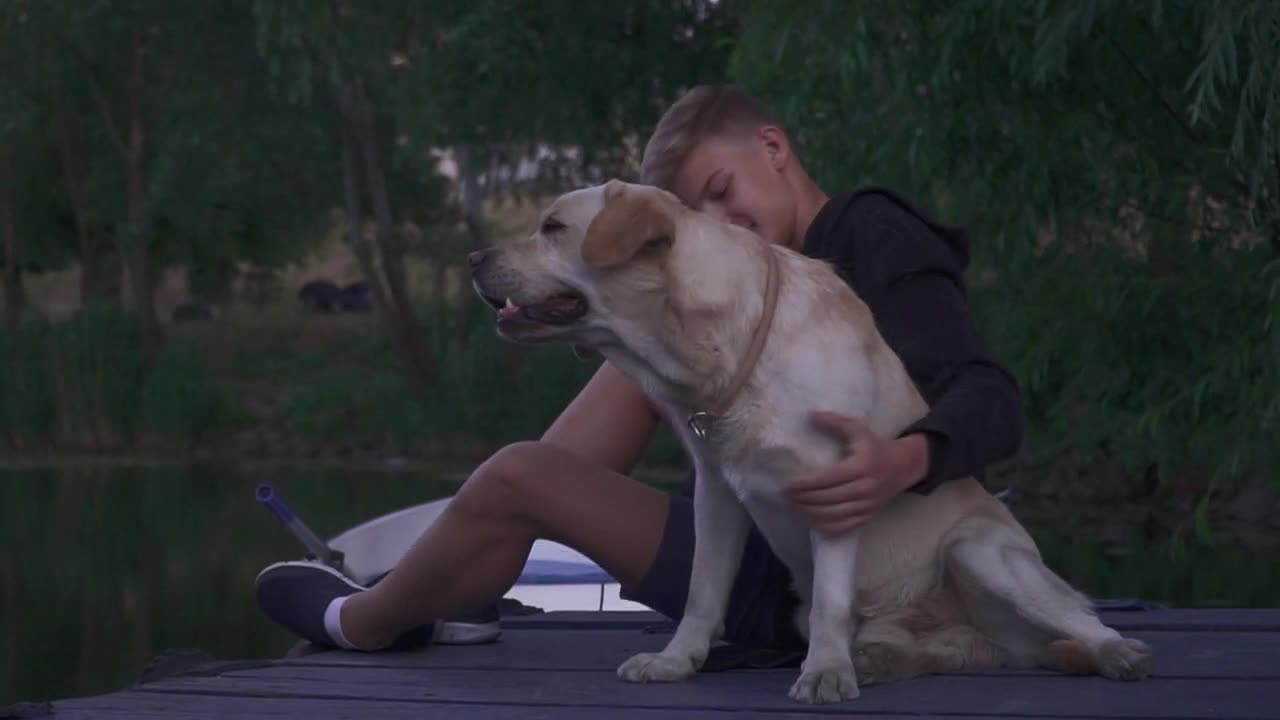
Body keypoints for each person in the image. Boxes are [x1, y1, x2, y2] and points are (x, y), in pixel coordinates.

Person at [253, 83, 1024, 656]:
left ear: (774, 147)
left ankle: (363, 621)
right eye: (695, 215)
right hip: (743, 534)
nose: (718, 225)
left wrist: (902, 460)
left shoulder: (871, 232)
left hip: (806, 579)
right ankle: (471, 581)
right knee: (638, 354)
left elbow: (989, 397)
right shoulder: (738, 288)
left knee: (524, 475)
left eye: (720, 192)